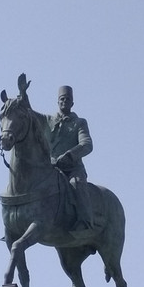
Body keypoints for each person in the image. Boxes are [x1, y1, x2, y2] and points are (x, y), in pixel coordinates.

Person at [43, 84, 94, 231]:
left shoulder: (79, 123)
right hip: (51, 168)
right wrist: (23, 93)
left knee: (76, 184)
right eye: (62, 99)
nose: (64, 101)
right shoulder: (48, 120)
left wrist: (70, 155)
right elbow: (30, 114)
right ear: (57, 102)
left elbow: (87, 144)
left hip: (73, 169)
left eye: (68, 99)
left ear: (72, 103)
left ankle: (85, 222)